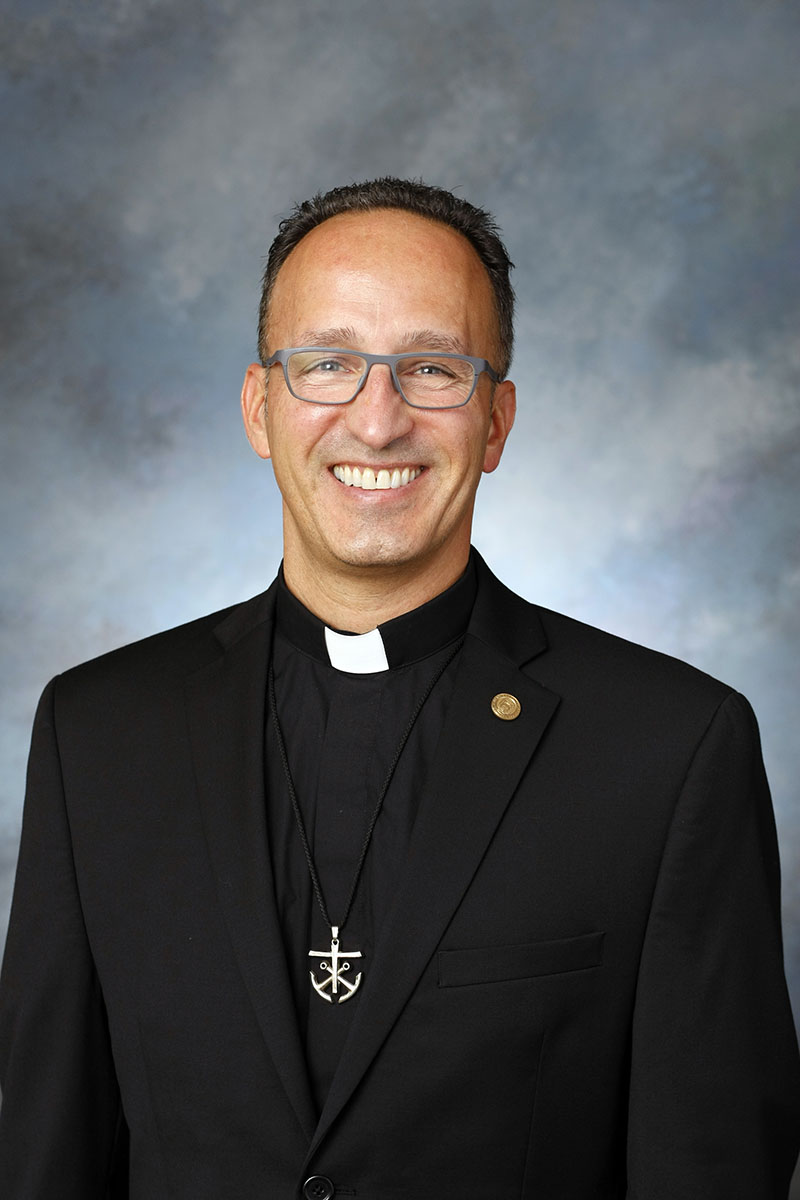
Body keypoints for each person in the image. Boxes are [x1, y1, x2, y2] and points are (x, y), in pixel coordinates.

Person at [0, 177, 798, 1200]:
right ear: (259, 409)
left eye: (431, 369)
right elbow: (46, 1157)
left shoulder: (668, 749)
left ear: (496, 421)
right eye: (327, 364)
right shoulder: (97, 734)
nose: (377, 423)